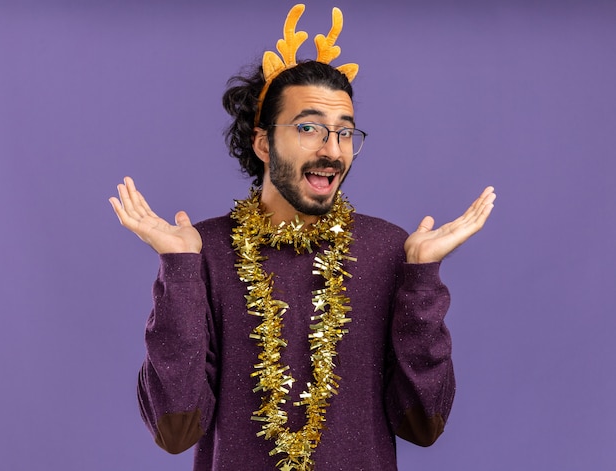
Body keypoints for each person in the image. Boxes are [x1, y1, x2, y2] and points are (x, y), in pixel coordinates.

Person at [109, 4, 495, 471]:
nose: (332, 150)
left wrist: (422, 280)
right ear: (262, 143)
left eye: (345, 132)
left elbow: (423, 425)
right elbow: (175, 430)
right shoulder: (202, 252)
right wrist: (181, 270)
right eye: (309, 128)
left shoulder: (389, 251)